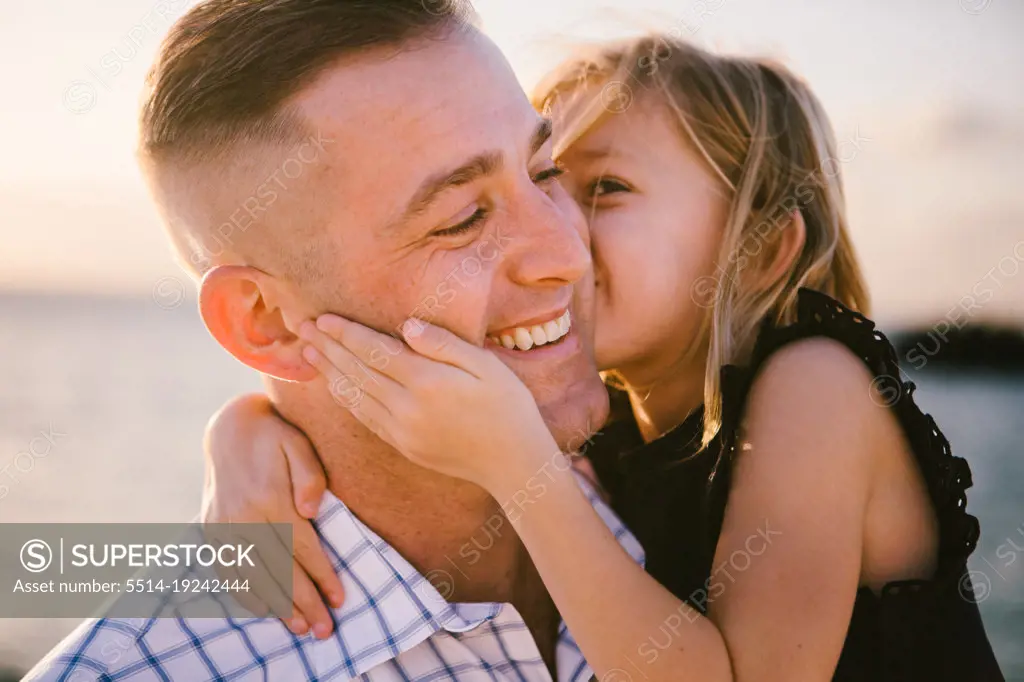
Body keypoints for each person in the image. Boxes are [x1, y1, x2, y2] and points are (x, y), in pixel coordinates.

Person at [202, 34, 1006, 681]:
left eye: (608, 190)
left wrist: (518, 463)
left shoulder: (816, 388)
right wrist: (242, 432)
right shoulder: (612, 415)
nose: (559, 234)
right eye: (550, 176)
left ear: (760, 253)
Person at [25, 1, 645, 680]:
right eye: (464, 219)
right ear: (264, 321)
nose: (568, 251)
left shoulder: (721, 498)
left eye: (545, 171)